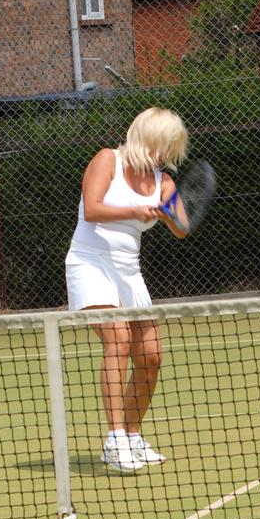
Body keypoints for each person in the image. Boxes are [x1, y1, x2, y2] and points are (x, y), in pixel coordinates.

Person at [65, 107, 189, 473]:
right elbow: (92, 209)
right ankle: (115, 439)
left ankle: (133, 436)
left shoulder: (164, 182)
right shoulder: (107, 160)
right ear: (144, 138)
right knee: (117, 339)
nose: (164, 154)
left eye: (170, 148)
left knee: (151, 357)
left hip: (128, 272)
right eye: (160, 144)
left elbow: (182, 228)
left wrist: (166, 213)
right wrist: (136, 210)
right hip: (89, 263)